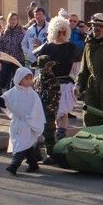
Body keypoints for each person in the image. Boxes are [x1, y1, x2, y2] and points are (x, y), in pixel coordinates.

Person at [35, 16, 81, 152]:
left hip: (65, 85)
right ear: (53, 31)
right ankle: (50, 144)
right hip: (49, 86)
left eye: (63, 31)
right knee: (50, 115)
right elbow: (39, 67)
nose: (61, 34)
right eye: (58, 31)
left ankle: (61, 141)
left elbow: (76, 68)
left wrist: (75, 81)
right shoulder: (47, 47)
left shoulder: (71, 47)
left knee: (63, 113)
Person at [0, 67, 46, 175]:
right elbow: (4, 102)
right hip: (16, 123)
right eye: (26, 79)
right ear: (19, 79)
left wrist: (30, 119)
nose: (29, 81)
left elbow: (37, 110)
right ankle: (33, 164)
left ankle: (14, 165)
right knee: (25, 145)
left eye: (30, 79)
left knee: (22, 145)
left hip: (27, 124)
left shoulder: (33, 94)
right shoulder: (13, 92)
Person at [0, 11, 25, 93]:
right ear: (8, 20)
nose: (13, 21)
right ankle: (3, 96)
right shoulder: (4, 32)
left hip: (18, 60)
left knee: (17, 80)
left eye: (15, 19)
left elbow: (25, 44)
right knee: (4, 80)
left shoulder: (22, 32)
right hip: (7, 60)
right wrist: (0, 58)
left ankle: (16, 95)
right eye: (12, 19)